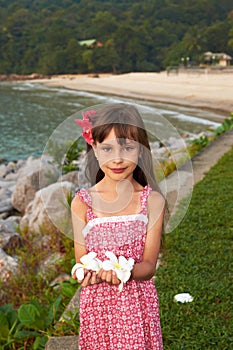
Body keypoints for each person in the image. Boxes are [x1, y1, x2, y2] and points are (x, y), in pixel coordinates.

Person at [71, 103, 165, 350]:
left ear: (141, 150)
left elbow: (148, 266)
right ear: (94, 148)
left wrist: (125, 273)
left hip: (136, 304)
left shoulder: (152, 201)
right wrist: (86, 273)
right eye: (108, 148)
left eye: (128, 147)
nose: (118, 158)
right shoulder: (82, 202)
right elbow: (81, 258)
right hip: (98, 306)